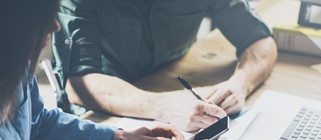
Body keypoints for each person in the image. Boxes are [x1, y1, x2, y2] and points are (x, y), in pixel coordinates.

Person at [0, 0, 213, 140]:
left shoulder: (14, 59)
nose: (55, 27)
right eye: (42, 18)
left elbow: (38, 119)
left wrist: (117, 137)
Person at [53, 0, 278, 131]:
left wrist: (240, 84)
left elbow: (259, 38)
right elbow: (78, 84)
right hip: (104, 110)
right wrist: (163, 106)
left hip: (174, 80)